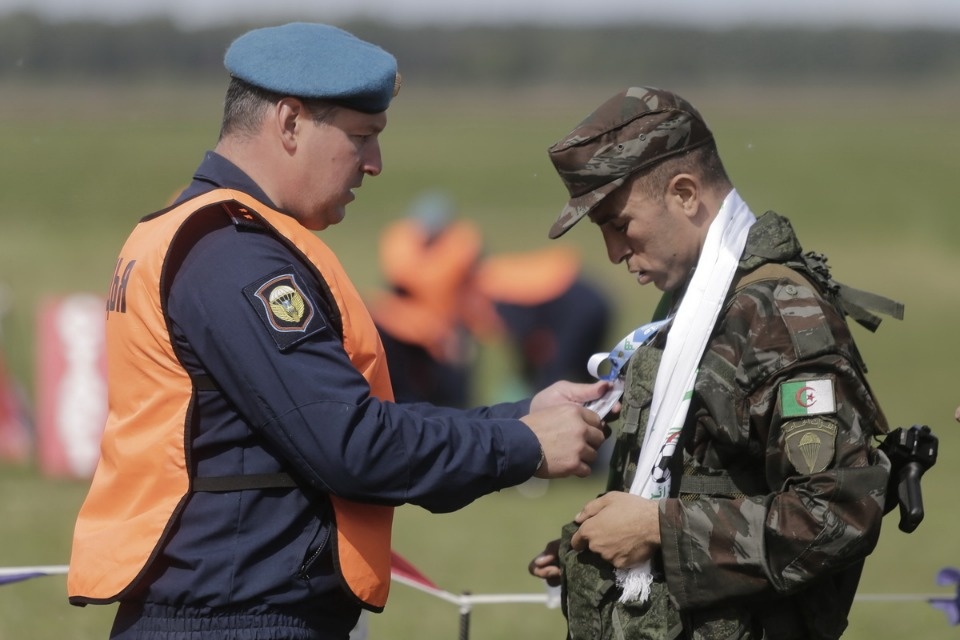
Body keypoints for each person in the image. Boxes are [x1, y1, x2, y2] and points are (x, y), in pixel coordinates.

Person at [67, 23, 609, 640]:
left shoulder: (204, 235)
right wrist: (524, 445)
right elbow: (352, 446)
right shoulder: (236, 256)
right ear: (290, 122)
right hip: (233, 621)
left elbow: (353, 421)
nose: (374, 164)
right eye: (361, 138)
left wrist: (522, 416)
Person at [528, 86, 904, 639]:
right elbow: (698, 480)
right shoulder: (699, 306)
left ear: (684, 193)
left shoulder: (778, 316)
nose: (612, 252)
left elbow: (838, 514)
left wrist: (658, 530)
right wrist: (602, 549)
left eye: (619, 223)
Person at [368, 191, 612, 407]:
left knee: (556, 380)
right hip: (580, 292)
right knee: (573, 379)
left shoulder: (485, 291)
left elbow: (526, 333)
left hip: (576, 301)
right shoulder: (451, 258)